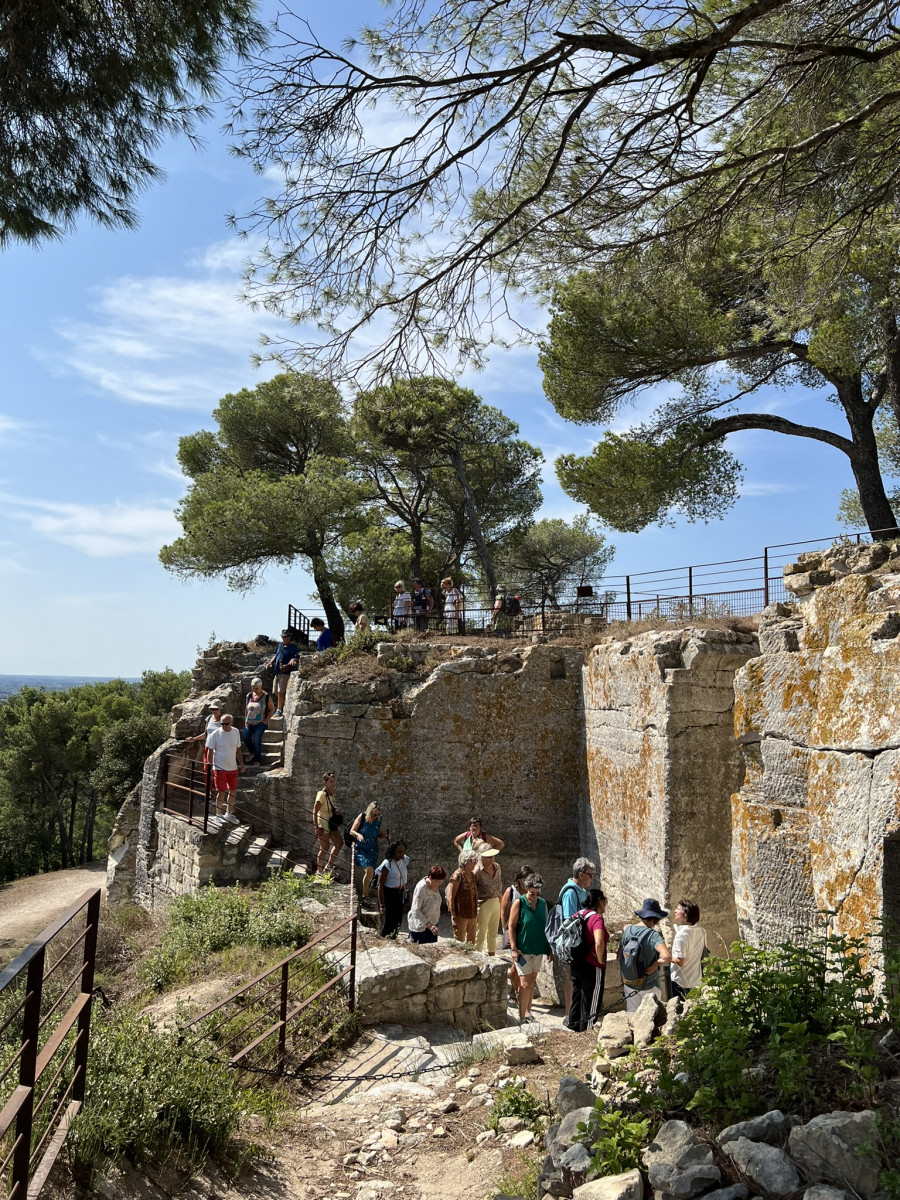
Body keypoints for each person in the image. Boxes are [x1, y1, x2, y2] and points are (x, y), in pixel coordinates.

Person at [508, 873, 552, 1023]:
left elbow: (546, 927)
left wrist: (549, 949)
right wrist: (514, 948)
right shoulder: (519, 903)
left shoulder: (543, 904)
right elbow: (511, 926)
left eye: (537, 893)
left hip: (538, 949)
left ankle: (528, 1012)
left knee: (532, 981)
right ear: (526, 889)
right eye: (532, 893)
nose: (534, 896)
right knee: (525, 983)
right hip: (522, 950)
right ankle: (521, 1018)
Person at [559, 857, 598, 1024]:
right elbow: (569, 921)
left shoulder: (580, 890)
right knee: (572, 979)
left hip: (581, 943)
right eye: (590, 875)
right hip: (573, 944)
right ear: (581, 874)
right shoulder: (570, 892)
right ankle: (569, 1015)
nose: (592, 878)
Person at [618, 899, 673, 1011]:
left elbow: (619, 956)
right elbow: (667, 957)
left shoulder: (628, 930)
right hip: (649, 985)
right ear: (654, 919)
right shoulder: (653, 935)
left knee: (633, 1017)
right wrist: (656, 963)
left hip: (630, 983)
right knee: (651, 1018)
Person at [567, 887, 609, 1032]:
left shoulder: (579, 914)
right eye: (605, 901)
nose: (605, 905)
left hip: (577, 962)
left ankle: (574, 1027)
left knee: (577, 996)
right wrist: (600, 960)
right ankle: (587, 1031)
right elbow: (599, 941)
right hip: (592, 965)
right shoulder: (596, 918)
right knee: (592, 1000)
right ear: (599, 901)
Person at [501, 865, 533, 1000]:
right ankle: (514, 991)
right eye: (525, 879)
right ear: (519, 879)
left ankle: (520, 990)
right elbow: (503, 912)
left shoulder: (532, 893)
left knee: (524, 963)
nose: (527, 882)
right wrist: (505, 931)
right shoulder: (511, 891)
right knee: (516, 963)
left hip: (526, 933)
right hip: (513, 933)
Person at [206, 713, 244, 823]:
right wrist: (210, 765)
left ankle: (229, 813)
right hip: (219, 767)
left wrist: (241, 763)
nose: (223, 726)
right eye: (222, 723)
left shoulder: (236, 732)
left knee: (233, 790)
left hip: (232, 767)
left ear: (231, 723)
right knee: (221, 791)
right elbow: (210, 751)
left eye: (226, 724)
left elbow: (238, 749)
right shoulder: (215, 734)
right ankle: (218, 814)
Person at [670, 898, 707, 1000]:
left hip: (681, 981)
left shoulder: (681, 936)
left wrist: (666, 958)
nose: (675, 911)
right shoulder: (701, 931)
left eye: (678, 909)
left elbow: (680, 962)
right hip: (696, 980)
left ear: (685, 914)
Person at [348, 801, 384, 905]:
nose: (377, 816)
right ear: (370, 812)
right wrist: (358, 835)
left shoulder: (379, 820)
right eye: (375, 814)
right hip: (361, 849)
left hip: (373, 849)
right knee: (369, 870)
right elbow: (352, 830)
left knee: (371, 873)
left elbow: (380, 833)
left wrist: (385, 836)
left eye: (378, 814)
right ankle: (365, 896)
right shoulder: (362, 817)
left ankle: (365, 896)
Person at [473, 841, 503, 955]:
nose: (491, 859)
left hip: (496, 901)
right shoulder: (477, 871)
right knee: (480, 932)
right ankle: (476, 956)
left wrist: (500, 897)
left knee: (493, 932)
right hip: (483, 903)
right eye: (488, 857)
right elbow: (473, 889)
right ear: (481, 857)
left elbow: (499, 883)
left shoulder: (497, 867)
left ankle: (491, 954)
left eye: (492, 856)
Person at [376, 840, 409, 939]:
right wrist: (382, 905)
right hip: (389, 893)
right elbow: (380, 885)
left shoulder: (405, 859)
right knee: (389, 919)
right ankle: (384, 937)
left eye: (403, 851)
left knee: (398, 917)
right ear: (393, 851)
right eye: (399, 852)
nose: (401, 854)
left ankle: (394, 937)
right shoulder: (387, 864)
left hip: (400, 892)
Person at [446, 849, 479, 943]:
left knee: (471, 942)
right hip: (461, 915)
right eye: (472, 861)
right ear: (465, 861)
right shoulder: (457, 876)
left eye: (476, 861)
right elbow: (451, 898)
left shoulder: (472, 875)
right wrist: (453, 917)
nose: (475, 864)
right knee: (459, 941)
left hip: (472, 914)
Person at [312, 771, 343, 873]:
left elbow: (329, 806)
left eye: (333, 781)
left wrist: (335, 809)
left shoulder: (331, 793)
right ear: (324, 782)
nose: (332, 784)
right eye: (330, 781)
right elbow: (315, 811)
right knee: (324, 848)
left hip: (331, 822)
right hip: (323, 823)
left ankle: (329, 866)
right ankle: (319, 872)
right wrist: (316, 826)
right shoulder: (321, 794)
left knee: (339, 843)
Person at [408, 865, 447, 943]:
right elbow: (415, 910)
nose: (439, 884)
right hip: (420, 927)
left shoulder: (435, 885)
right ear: (430, 877)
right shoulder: (421, 888)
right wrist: (429, 925)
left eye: (441, 882)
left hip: (432, 925)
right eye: (437, 881)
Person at [242, 677, 274, 766]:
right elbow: (246, 708)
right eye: (253, 688)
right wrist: (245, 719)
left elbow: (271, 710)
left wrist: (266, 721)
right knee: (245, 737)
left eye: (256, 688)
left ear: (261, 687)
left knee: (257, 740)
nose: (255, 690)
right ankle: (252, 752)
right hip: (249, 722)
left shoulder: (266, 696)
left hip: (260, 723)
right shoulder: (249, 695)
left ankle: (257, 759)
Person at [267, 628, 299, 717]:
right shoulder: (279, 646)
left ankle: (279, 709)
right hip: (277, 672)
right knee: (275, 692)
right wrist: (270, 662)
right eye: (284, 637)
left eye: (288, 637)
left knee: (281, 691)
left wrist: (293, 659)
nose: (286, 638)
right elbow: (275, 655)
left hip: (285, 672)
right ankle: (286, 705)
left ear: (290, 637)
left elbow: (296, 657)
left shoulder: (293, 647)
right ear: (282, 638)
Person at [186, 703, 222, 769]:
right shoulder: (209, 718)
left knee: (218, 769)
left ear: (220, 709)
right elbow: (205, 734)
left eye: (216, 709)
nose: (214, 711)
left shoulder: (224, 719)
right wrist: (194, 738)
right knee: (207, 768)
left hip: (219, 748)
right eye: (212, 709)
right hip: (208, 746)